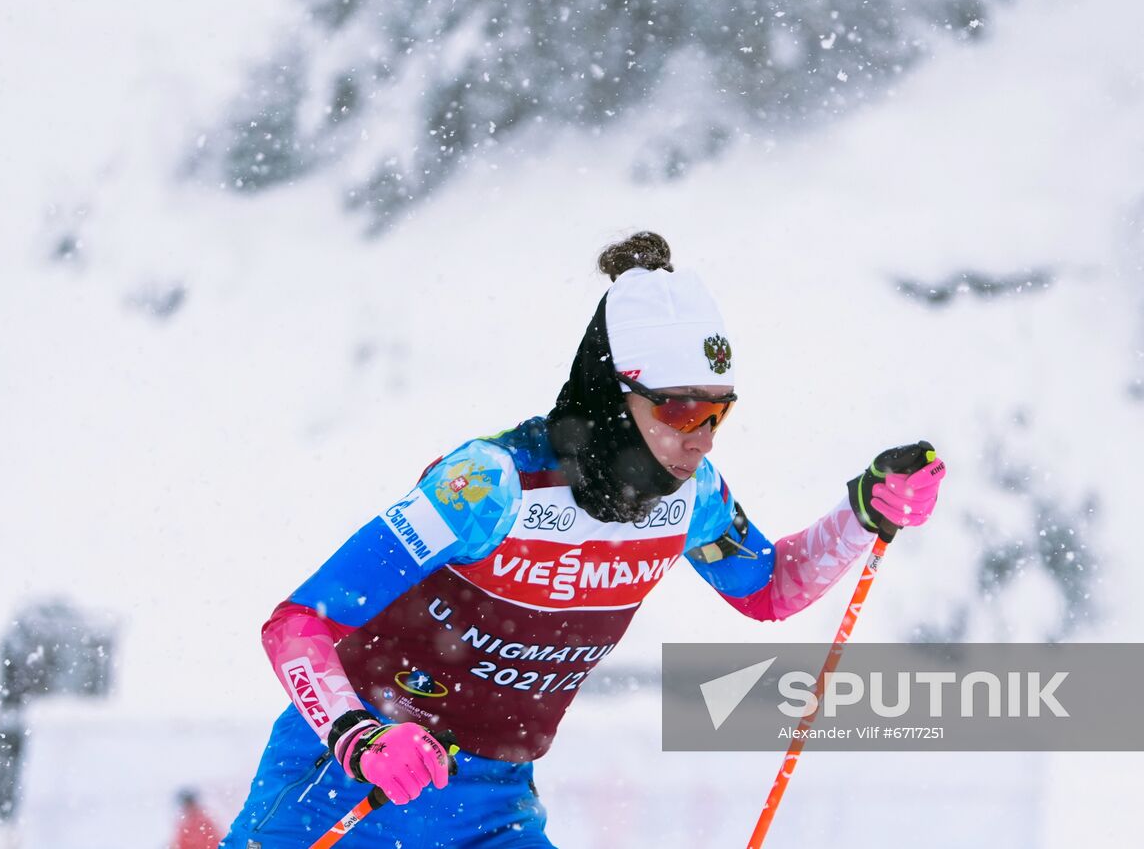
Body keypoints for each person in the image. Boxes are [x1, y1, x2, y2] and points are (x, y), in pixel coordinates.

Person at [219, 232, 946, 847]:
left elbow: (768, 588)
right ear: (612, 393)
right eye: (683, 410)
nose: (702, 438)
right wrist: (360, 737)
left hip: (492, 809)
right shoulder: (490, 485)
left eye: (718, 413)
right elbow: (298, 625)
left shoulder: (687, 500)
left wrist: (863, 513)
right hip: (349, 785)